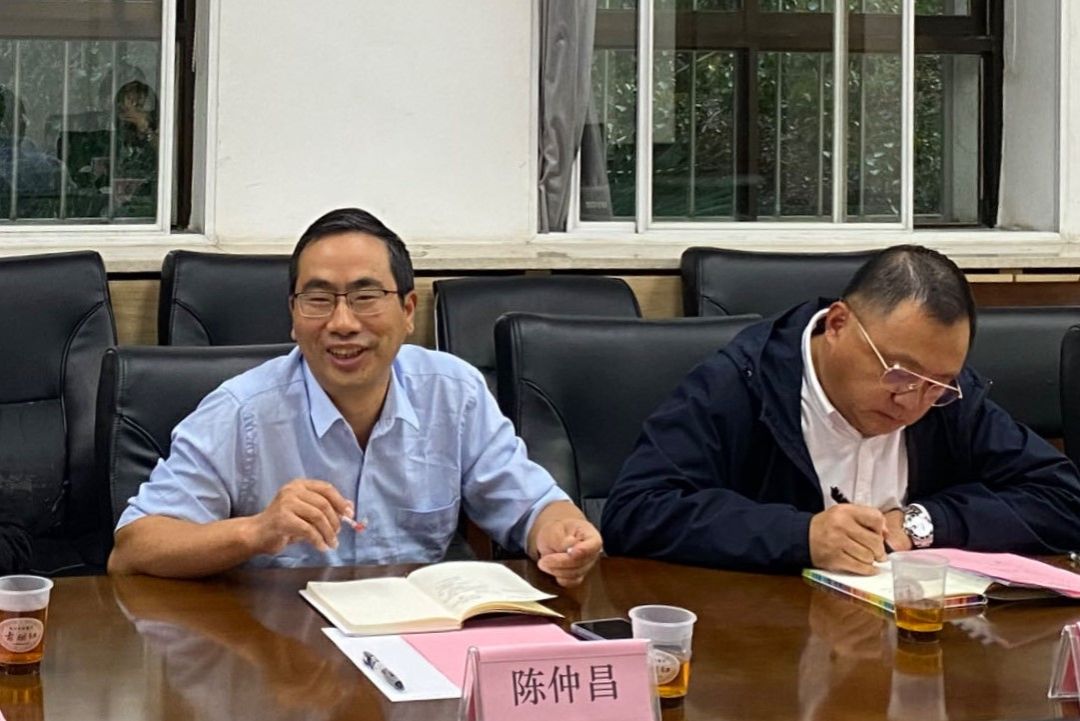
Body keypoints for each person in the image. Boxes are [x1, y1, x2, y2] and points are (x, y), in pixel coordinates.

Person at [109, 208, 602, 586]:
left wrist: (563, 533)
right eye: (319, 299)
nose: (342, 323)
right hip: (283, 650)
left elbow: (532, 505)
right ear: (293, 315)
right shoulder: (242, 411)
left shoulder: (454, 392)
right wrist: (256, 531)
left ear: (408, 311)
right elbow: (132, 550)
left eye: (366, 298)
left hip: (419, 638)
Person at [602, 245, 1080, 575]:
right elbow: (637, 510)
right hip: (768, 644)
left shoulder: (948, 400)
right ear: (837, 325)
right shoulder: (740, 384)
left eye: (936, 385)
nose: (911, 401)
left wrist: (924, 522)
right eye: (898, 373)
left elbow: (1063, 499)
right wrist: (800, 536)